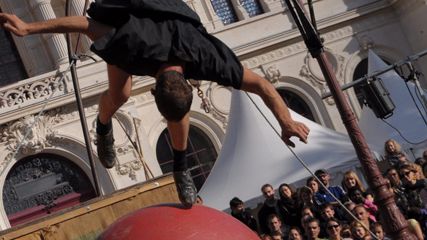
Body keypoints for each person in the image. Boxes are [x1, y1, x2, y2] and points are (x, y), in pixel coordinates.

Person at [0, 0, 309, 208]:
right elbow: (85, 23)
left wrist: (286, 121)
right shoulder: (133, 42)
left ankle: (180, 168)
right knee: (119, 94)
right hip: (131, 14)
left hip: (170, 16)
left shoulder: (205, 54)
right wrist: (28, 28)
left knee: (165, 107)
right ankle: (102, 125)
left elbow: (263, 85)